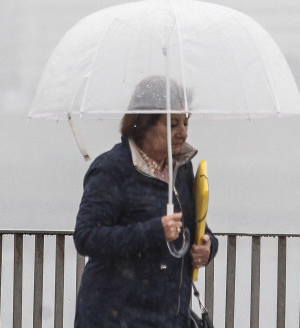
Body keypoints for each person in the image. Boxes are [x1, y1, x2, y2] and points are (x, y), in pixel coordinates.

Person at [73, 75, 219, 327]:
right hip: (115, 317)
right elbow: (86, 237)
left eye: (186, 122)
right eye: (172, 124)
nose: (182, 133)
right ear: (143, 124)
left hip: (169, 317)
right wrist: (154, 231)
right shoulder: (112, 169)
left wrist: (208, 246)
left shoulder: (181, 168)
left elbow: (194, 227)